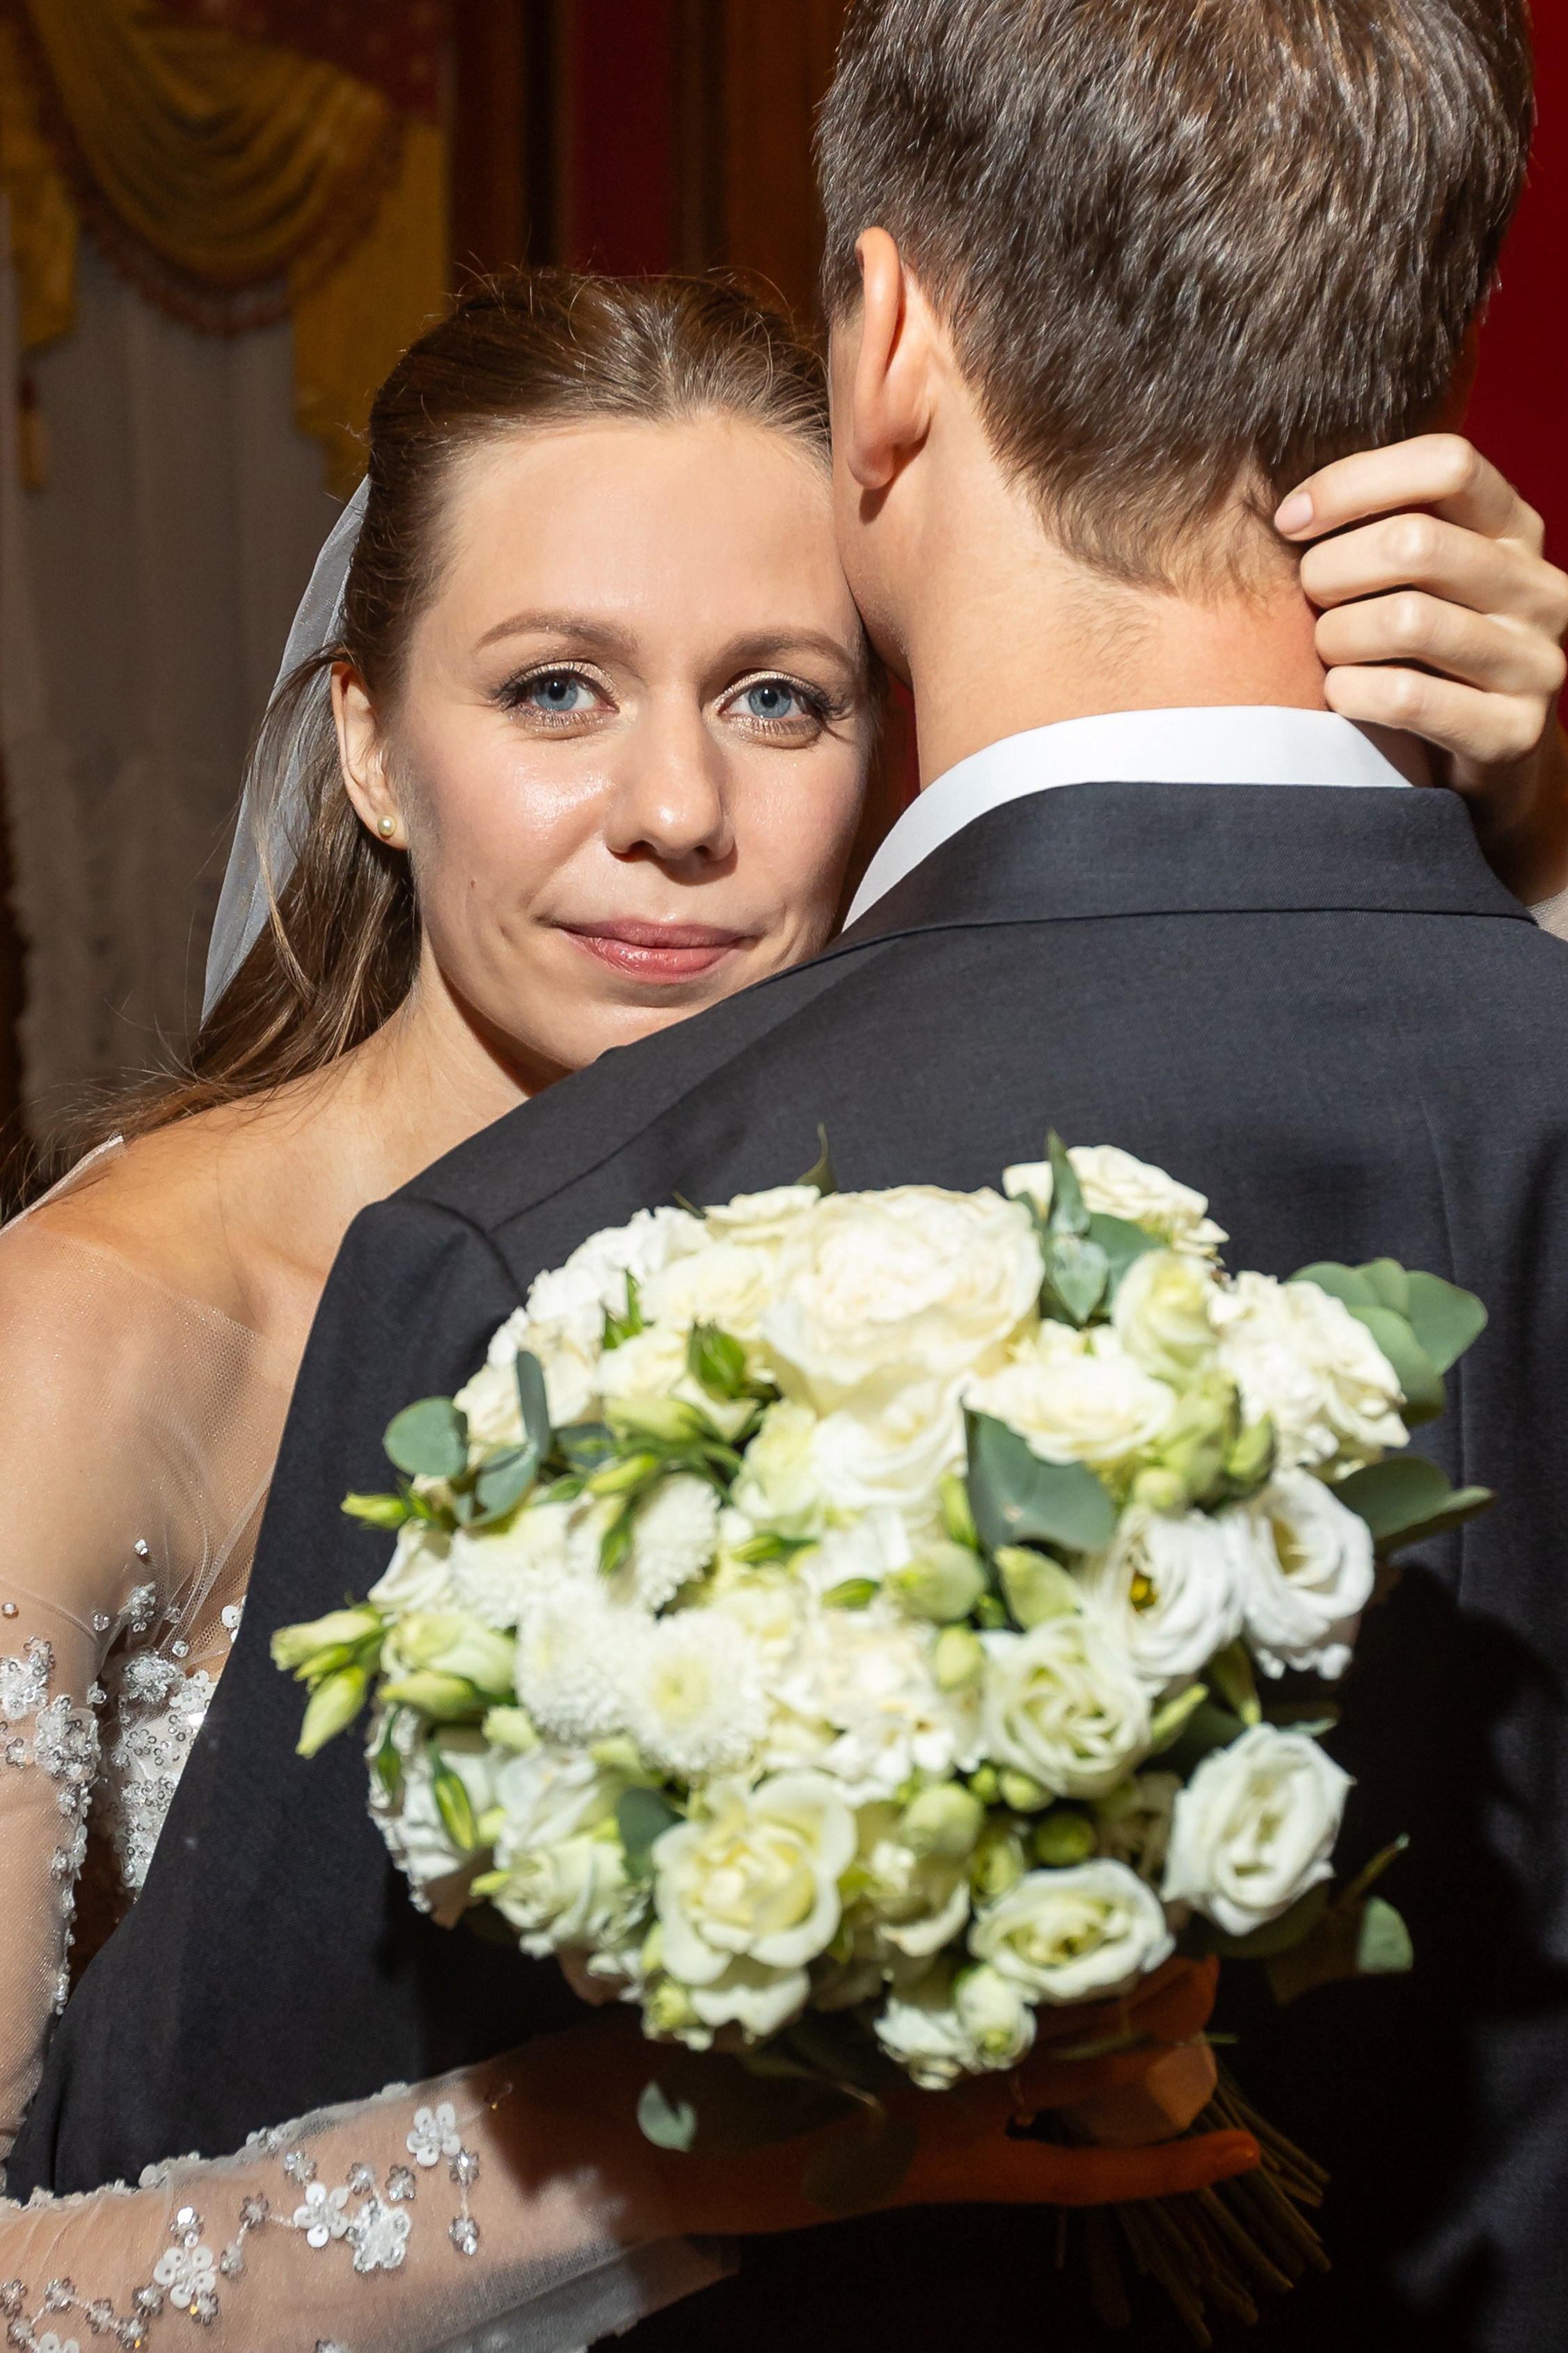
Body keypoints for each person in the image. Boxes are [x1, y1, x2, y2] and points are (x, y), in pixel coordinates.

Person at [6, 28, 1568, 2327]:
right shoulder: (104, 1330)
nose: (675, 811)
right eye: (554, 691)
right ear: (366, 738)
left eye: (781, 697)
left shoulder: (930, 1226)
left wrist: (1522, 849)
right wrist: (664, 2145)